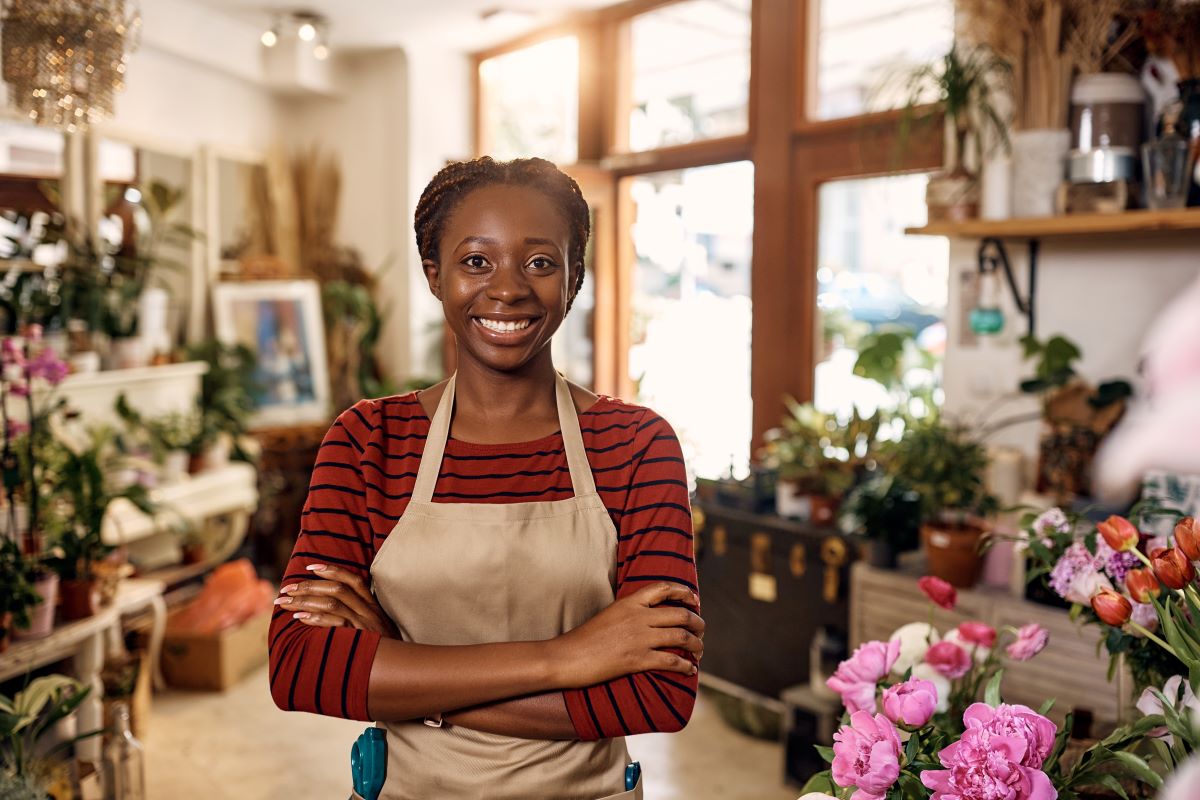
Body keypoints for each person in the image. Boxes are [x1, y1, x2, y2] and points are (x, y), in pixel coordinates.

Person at [267, 157, 703, 799]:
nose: (508, 289)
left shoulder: (636, 445)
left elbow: (660, 694)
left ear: (574, 278)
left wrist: (400, 668)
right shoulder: (368, 442)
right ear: (434, 275)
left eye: (540, 262)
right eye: (476, 261)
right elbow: (299, 669)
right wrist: (568, 656)